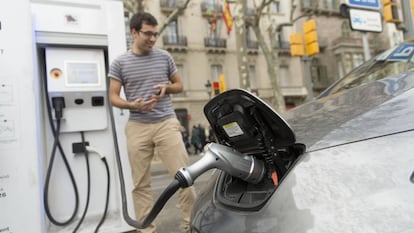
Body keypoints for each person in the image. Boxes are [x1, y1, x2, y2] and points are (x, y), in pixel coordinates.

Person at [108, 12, 196, 233]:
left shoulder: (164, 57)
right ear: (134, 32)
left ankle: (191, 225)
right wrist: (132, 105)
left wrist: (167, 88)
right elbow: (113, 97)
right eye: (148, 34)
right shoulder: (120, 63)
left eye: (155, 34)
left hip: (166, 122)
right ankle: (147, 230)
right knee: (140, 185)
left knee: (185, 177)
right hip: (137, 126)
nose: (152, 39)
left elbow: (179, 85)